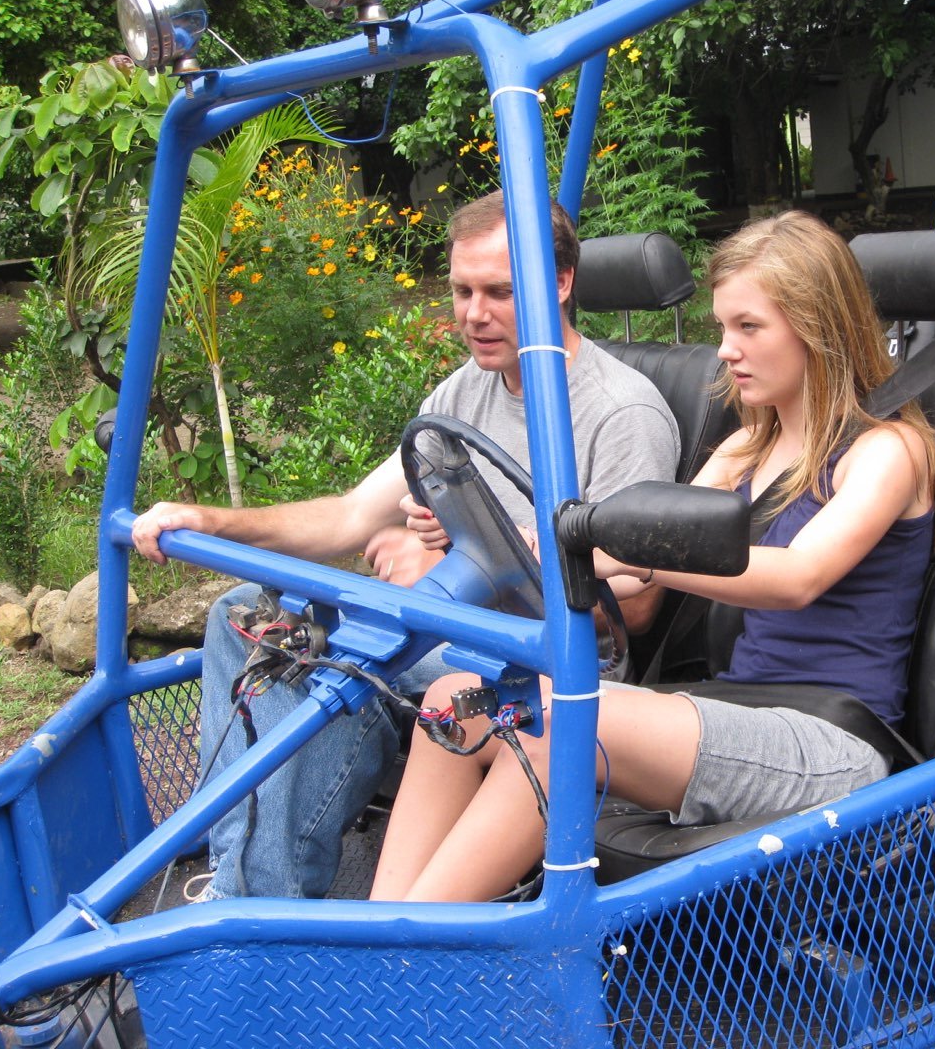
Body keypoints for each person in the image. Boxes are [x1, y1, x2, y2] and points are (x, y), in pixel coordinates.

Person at [370, 209, 935, 903]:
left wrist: (589, 540)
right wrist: (540, 553)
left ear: (815, 326)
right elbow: (634, 554)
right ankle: (384, 926)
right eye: (724, 328)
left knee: (558, 722)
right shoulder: (746, 450)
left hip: (830, 744)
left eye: (748, 328)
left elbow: (796, 578)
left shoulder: (887, 451)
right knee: (451, 702)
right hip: (732, 710)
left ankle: (410, 957)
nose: (726, 350)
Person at [131, 191, 681, 899]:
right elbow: (347, 516)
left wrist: (464, 571)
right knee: (249, 613)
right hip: (447, 638)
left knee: (354, 657)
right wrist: (210, 521)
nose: (473, 314)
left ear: (561, 284)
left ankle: (251, 902)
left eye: (500, 292)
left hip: (546, 667)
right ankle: (254, 887)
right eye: (461, 291)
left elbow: (631, 608)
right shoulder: (462, 396)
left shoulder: (620, 411)